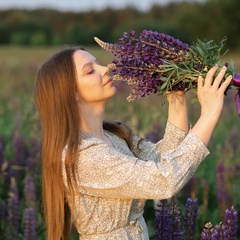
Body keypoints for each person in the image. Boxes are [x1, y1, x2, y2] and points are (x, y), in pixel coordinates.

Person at [33, 45, 232, 240]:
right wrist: (209, 114)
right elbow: (164, 180)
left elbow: (160, 159)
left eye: (98, 63)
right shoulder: (85, 156)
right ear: (71, 93)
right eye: (90, 71)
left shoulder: (113, 136)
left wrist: (176, 96)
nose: (105, 69)